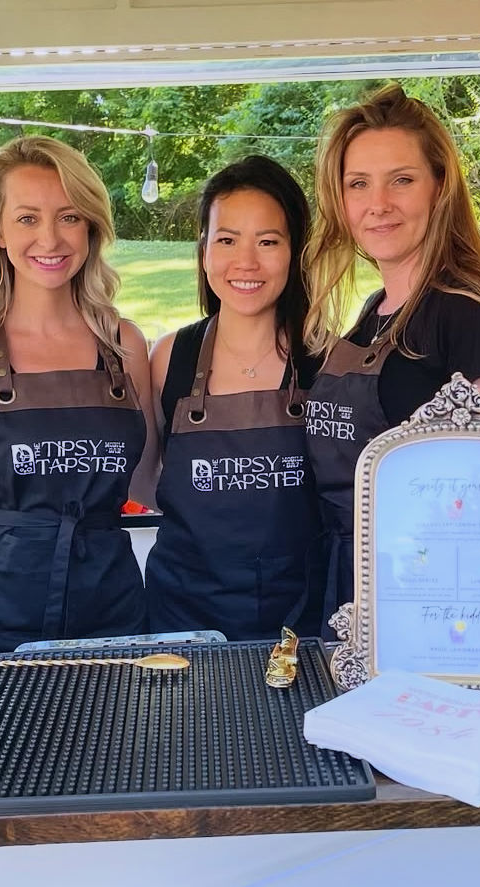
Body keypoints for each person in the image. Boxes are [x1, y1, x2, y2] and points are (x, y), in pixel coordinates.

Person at [302, 83, 480, 622]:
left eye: (402, 180)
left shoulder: (477, 314)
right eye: (358, 184)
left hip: (432, 603)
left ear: (440, 188)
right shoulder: (374, 311)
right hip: (348, 580)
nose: (377, 205)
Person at [0, 135, 159, 655]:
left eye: (69, 217)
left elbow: (152, 481)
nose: (50, 238)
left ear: (91, 227)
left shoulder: (126, 347)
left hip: (111, 607)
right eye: (27, 218)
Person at [145, 155, 324, 640]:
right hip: (185, 622)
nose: (246, 262)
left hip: (304, 624)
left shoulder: (326, 360)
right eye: (227, 240)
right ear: (204, 249)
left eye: (268, 241)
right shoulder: (168, 358)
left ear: (296, 251)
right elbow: (144, 483)